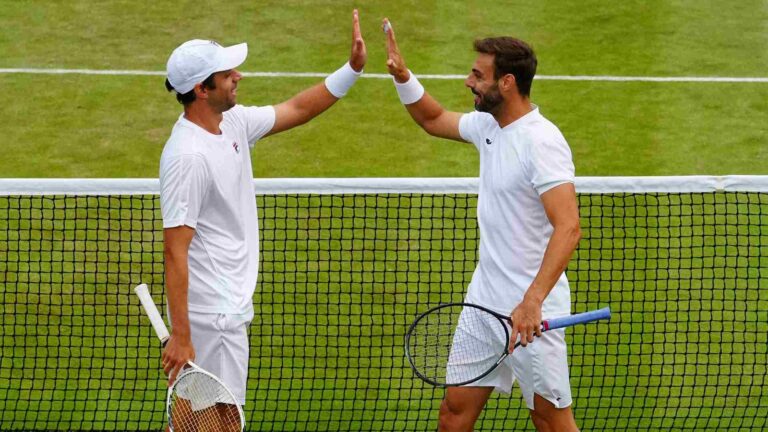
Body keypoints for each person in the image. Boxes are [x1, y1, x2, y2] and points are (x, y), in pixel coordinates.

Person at [158, 9, 367, 428]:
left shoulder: (230, 121)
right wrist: (182, 336)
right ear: (202, 88)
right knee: (224, 422)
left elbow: (296, 108)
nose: (238, 76)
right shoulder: (188, 157)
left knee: (190, 421)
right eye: (227, 73)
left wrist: (352, 69)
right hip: (215, 315)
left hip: (222, 307)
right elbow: (175, 251)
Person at [382, 19, 582, 432]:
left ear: (506, 82)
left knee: (550, 421)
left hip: (532, 314)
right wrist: (404, 77)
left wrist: (532, 301)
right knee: (453, 416)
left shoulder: (541, 142)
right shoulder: (489, 126)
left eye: (478, 75)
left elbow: (568, 228)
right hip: (482, 305)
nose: (468, 81)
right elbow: (433, 119)